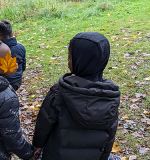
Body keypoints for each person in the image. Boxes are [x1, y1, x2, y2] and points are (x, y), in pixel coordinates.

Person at [32, 32, 121, 160]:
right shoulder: (109, 97)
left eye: (70, 57)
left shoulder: (59, 91)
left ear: (81, 61)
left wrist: (37, 146)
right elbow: (110, 134)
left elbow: (43, 123)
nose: (68, 61)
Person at [0, 20, 26, 91]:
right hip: (17, 80)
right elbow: (23, 65)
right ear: (12, 33)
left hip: (3, 81)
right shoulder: (21, 47)